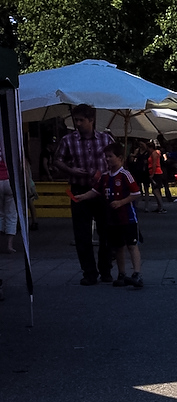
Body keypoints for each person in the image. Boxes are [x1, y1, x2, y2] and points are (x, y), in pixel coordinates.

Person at [53, 103, 114, 285]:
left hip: (102, 192)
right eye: (76, 120)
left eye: (81, 120)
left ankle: (105, 269)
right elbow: (57, 160)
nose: (78, 123)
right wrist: (71, 170)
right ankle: (89, 272)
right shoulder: (68, 140)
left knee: (107, 232)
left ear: (91, 120)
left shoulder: (105, 139)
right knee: (82, 234)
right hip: (79, 190)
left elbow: (117, 161)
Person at [71, 142, 144, 288]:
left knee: (131, 244)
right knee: (118, 246)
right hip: (113, 219)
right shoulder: (104, 176)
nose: (107, 159)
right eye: (106, 157)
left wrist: (121, 202)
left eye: (111, 156)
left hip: (127, 217)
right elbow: (95, 191)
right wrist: (82, 197)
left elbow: (136, 193)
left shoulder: (125, 175)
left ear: (120, 158)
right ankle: (121, 273)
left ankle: (137, 273)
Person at [0, 146, 18, 253]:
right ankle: (9, 245)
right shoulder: (9, 144)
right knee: (11, 214)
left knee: (0, 213)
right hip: (9, 180)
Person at [147, 141, 167, 213]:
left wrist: (152, 174)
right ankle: (159, 206)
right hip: (154, 172)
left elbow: (154, 163)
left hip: (156, 173)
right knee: (155, 189)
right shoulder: (153, 153)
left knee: (156, 190)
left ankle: (161, 207)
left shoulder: (154, 153)